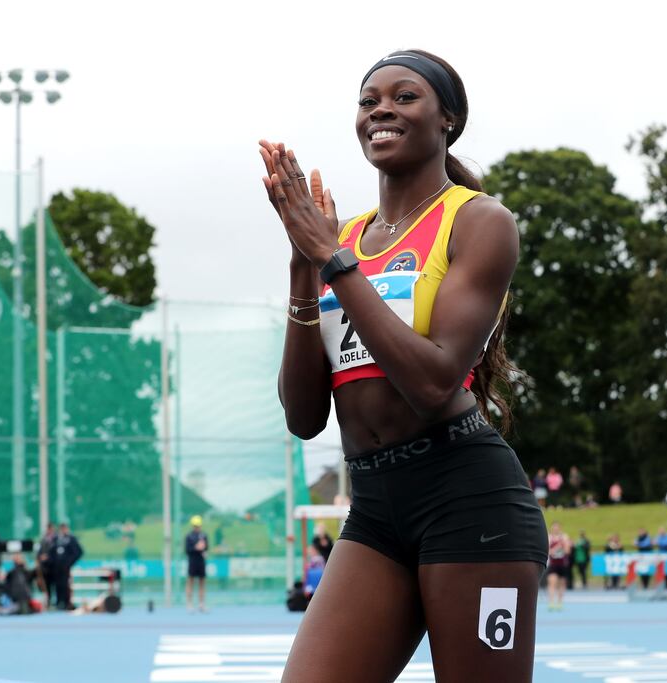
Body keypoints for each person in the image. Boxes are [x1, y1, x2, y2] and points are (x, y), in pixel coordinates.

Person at [259, 49, 547, 681]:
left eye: (404, 96)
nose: (381, 110)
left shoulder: (478, 221)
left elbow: (434, 381)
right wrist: (303, 270)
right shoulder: (344, 234)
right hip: (375, 509)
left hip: (469, 505)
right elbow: (306, 417)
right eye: (368, 101)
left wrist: (333, 261)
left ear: (449, 118)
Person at [52, 522, 83, 610]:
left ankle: (67, 602)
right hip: (56, 566)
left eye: (64, 528)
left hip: (66, 566)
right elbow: (52, 552)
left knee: (65, 584)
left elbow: (79, 552)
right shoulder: (56, 539)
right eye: (61, 529)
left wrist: (70, 562)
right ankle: (59, 602)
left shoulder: (71, 539)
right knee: (58, 584)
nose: (63, 531)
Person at [185, 515, 209, 613]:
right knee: (190, 582)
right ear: (192, 526)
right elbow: (187, 550)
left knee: (202, 583)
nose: (197, 527)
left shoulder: (204, 535)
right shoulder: (189, 536)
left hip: (201, 562)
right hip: (192, 561)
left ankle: (201, 604)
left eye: (198, 526)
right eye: (195, 526)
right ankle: (189, 604)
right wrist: (196, 547)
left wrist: (204, 548)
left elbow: (207, 547)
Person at [545, 523, 571, 610]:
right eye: (554, 528)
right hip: (553, 564)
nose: (555, 529)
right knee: (552, 582)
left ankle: (559, 602)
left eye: (557, 528)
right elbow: (547, 551)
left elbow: (567, 551)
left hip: (562, 564)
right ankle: (551, 602)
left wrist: (562, 545)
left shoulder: (564, 537)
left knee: (561, 584)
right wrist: (556, 548)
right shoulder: (549, 537)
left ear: (559, 528)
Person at [36, 523, 56, 608]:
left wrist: (48, 557)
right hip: (45, 568)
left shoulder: (57, 539)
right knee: (46, 586)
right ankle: (48, 601)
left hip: (54, 567)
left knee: (56, 585)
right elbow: (39, 553)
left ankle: (58, 602)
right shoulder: (43, 540)